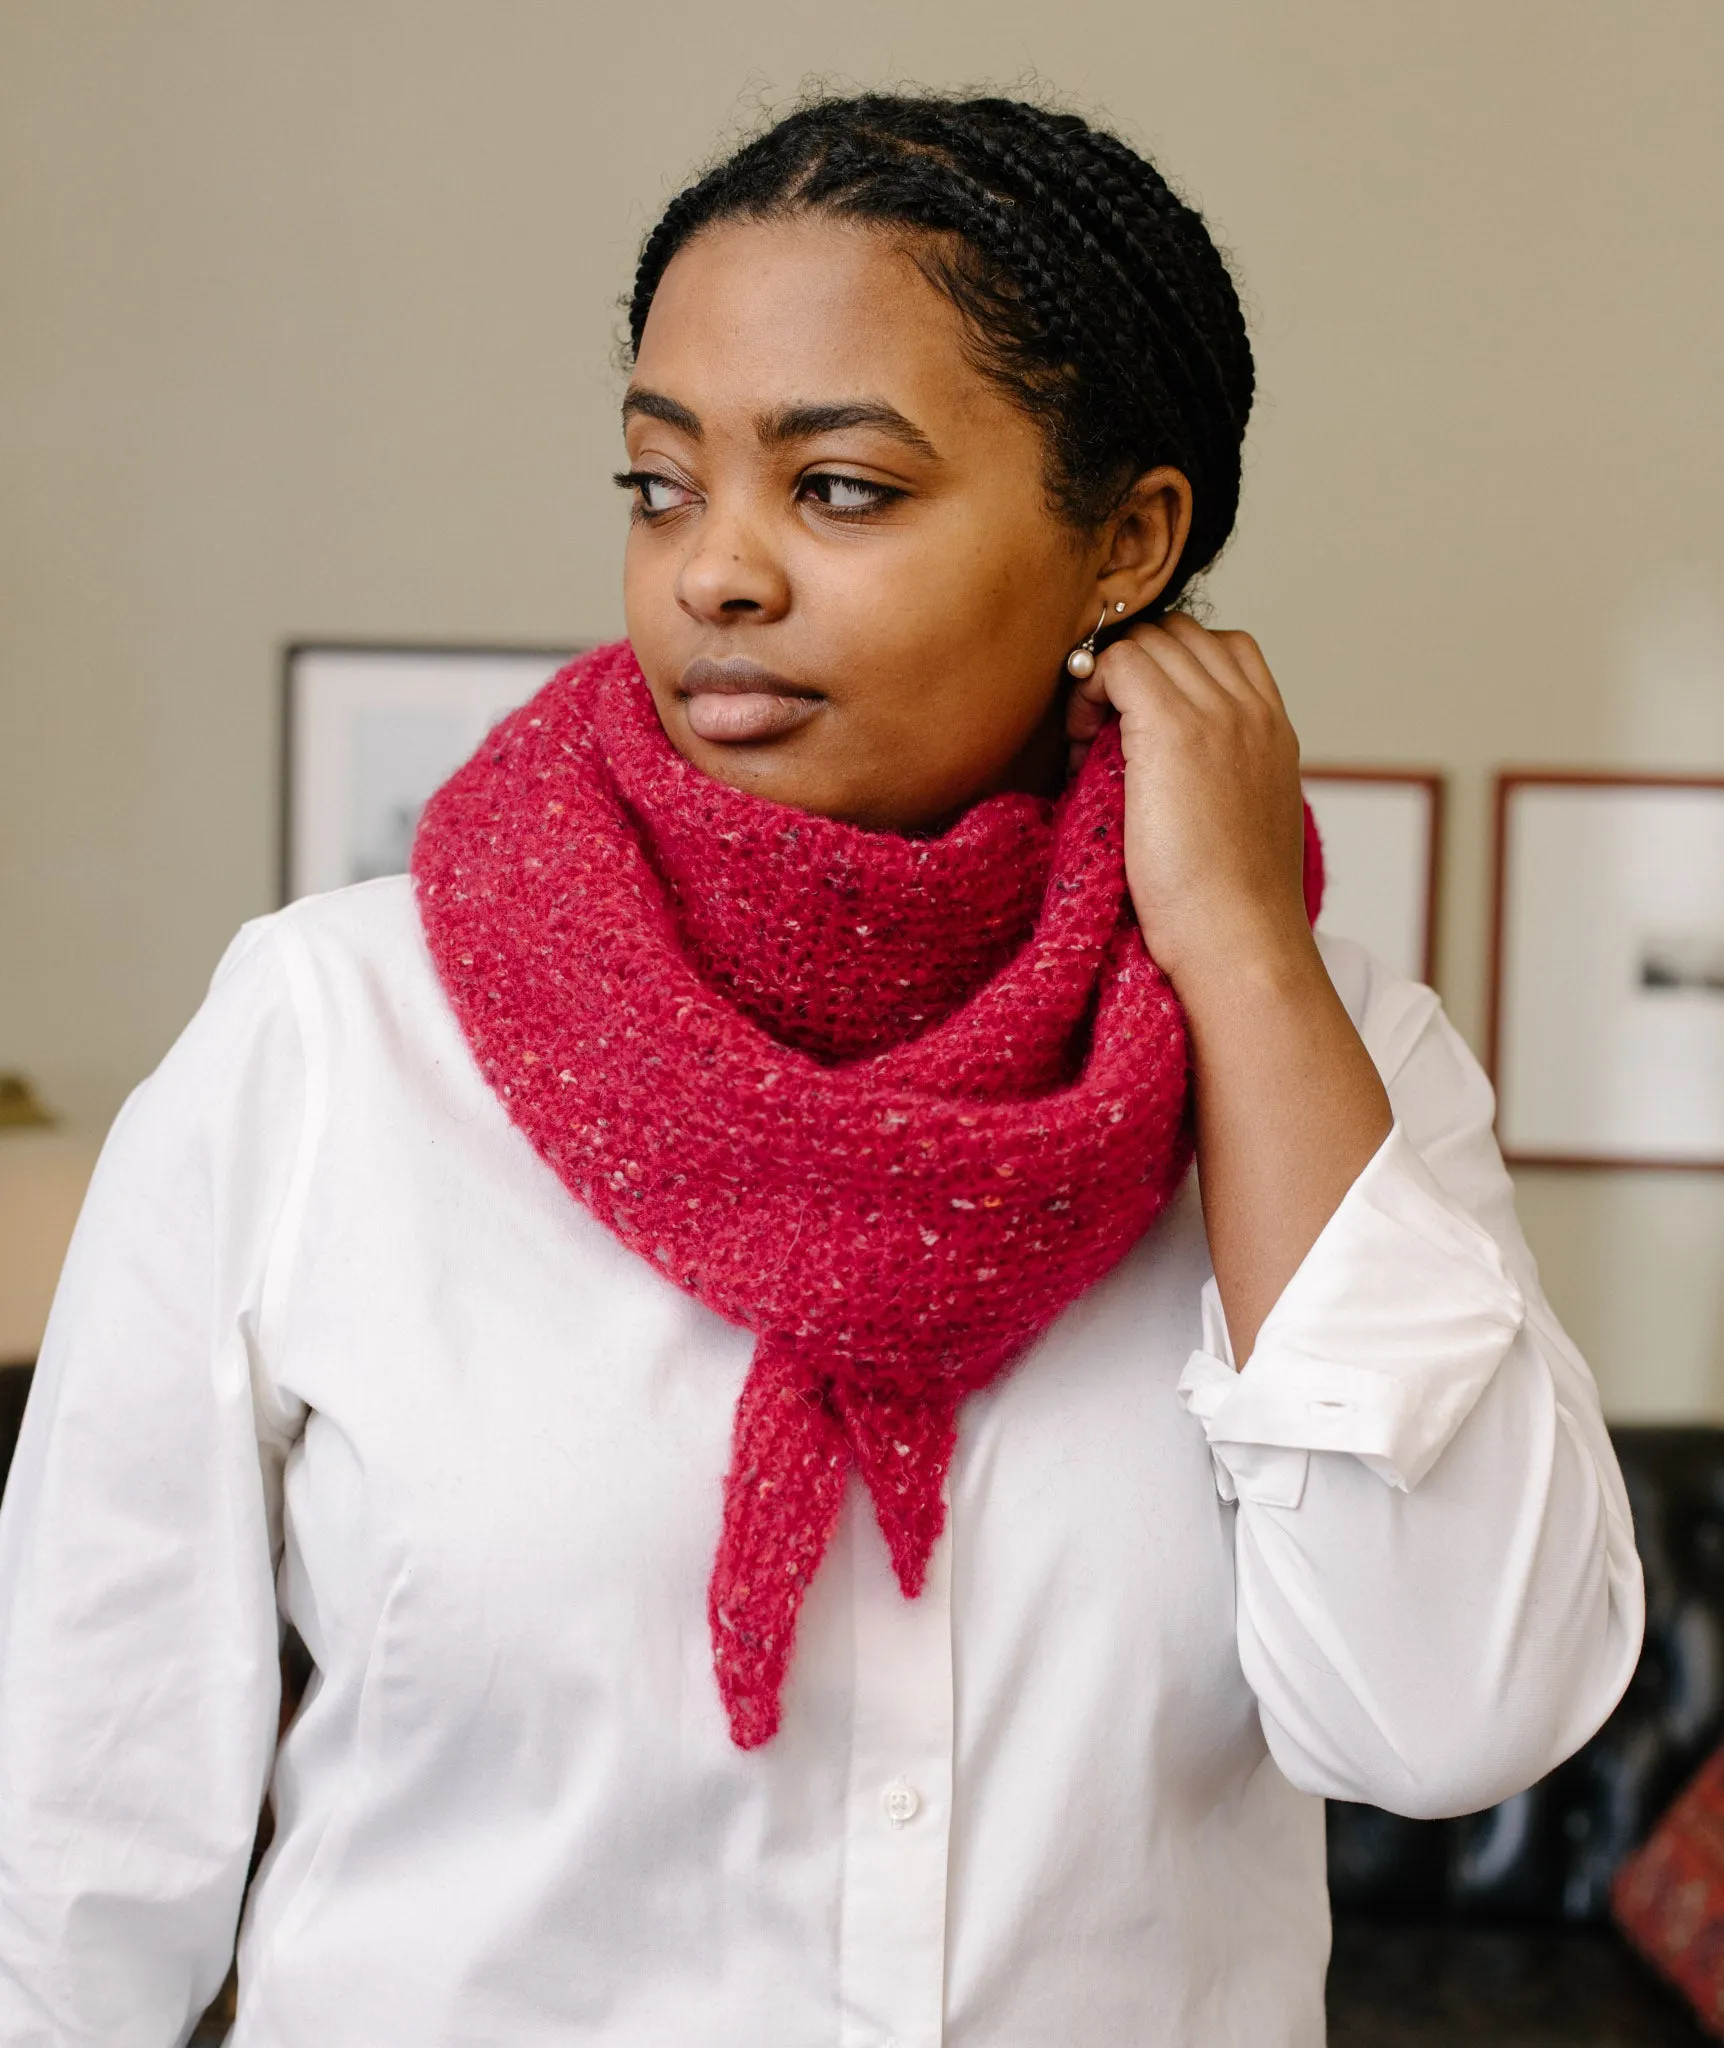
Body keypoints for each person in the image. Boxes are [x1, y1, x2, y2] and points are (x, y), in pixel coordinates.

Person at [0, 91, 1642, 2048]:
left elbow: (1447, 1716)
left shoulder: (1328, 1053)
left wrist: (1236, 960)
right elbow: (80, 1819)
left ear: (1128, 542)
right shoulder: (338, 1033)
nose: (715, 572)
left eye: (839, 488)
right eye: (659, 482)